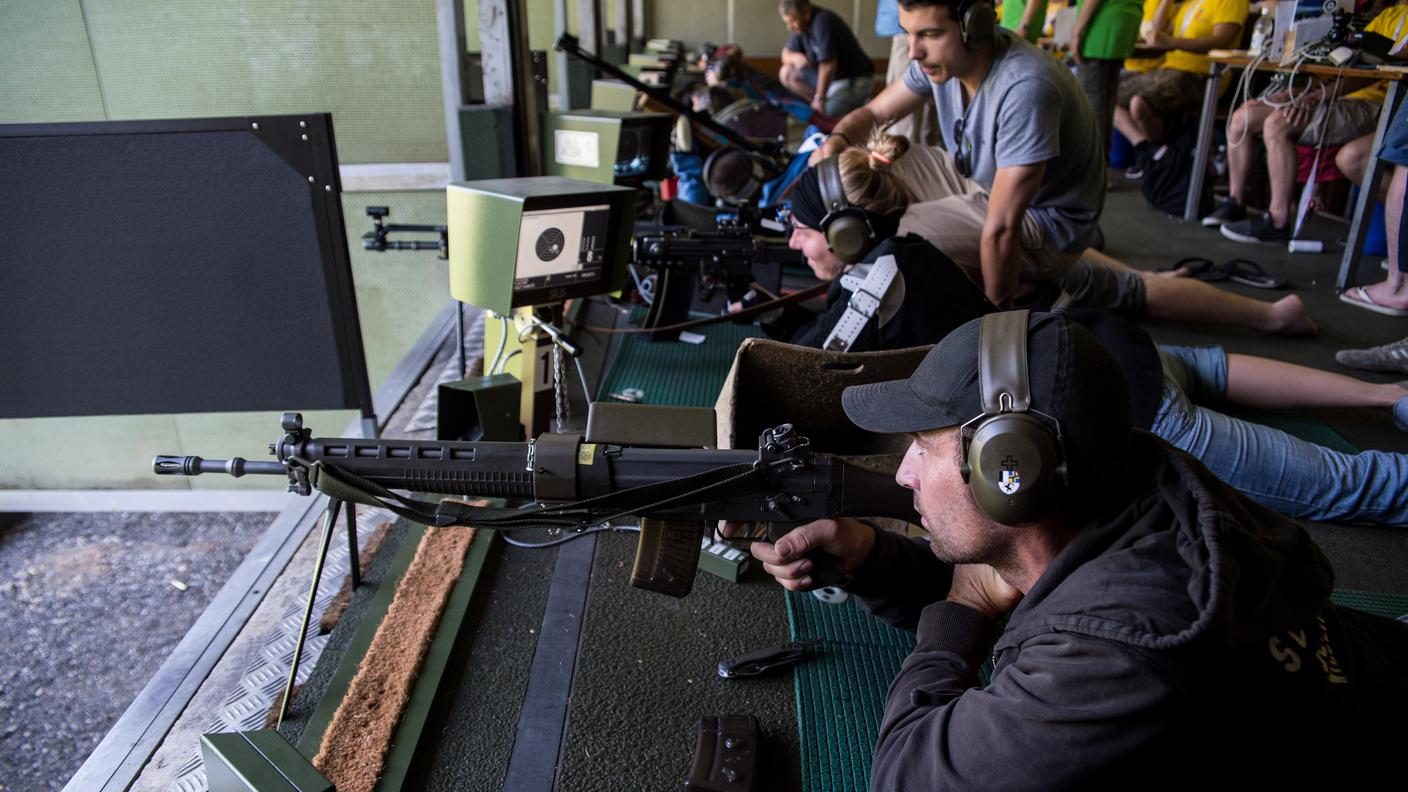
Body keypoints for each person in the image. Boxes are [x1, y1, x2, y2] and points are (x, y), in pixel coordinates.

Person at [727, 312, 1408, 787]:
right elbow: (1011, 582)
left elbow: (909, 775)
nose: (903, 474)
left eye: (922, 447)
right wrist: (872, 557)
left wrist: (958, 612)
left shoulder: (1120, 646)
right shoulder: (1135, 477)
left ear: (1009, 470)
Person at [785, 149, 1408, 525]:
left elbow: (806, 370)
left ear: (844, 236)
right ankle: (1387, 397)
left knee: (1345, 484)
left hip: (1124, 409)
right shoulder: (906, 249)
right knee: (1208, 367)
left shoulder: (877, 283)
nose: (793, 243)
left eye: (802, 231)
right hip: (1103, 349)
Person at [798, 134, 1316, 334]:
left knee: (1131, 292)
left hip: (1022, 251)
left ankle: (1272, 316)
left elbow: (992, 249)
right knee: (1117, 279)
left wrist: (999, 314)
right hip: (1019, 227)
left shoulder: (912, 236)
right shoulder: (882, 170)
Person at [806, 0, 1106, 309]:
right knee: (867, 166)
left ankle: (1030, 292)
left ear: (976, 26)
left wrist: (994, 320)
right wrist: (837, 141)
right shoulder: (943, 61)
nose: (914, 51)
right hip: (987, 185)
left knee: (894, 239)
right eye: (908, 34)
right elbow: (875, 111)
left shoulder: (1026, 87)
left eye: (930, 34)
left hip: (1043, 223)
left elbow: (1002, 229)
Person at [1211, 4, 1408, 244]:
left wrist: (1316, 96)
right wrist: (1294, 91)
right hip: (1336, 97)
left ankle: (1277, 220)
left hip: (1375, 104)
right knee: (1243, 117)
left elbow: (1362, 75)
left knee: (1278, 125)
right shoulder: (1388, 16)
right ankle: (1235, 202)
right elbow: (1340, 63)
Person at [1115, 0, 1248, 179]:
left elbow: (1220, 41)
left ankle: (1162, 163)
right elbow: (1154, 35)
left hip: (1200, 74)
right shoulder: (1187, 3)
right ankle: (1149, 149)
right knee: (1107, 94)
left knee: (1139, 103)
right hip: (1168, 70)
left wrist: (1172, 42)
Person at [1070, 0, 1147, 159]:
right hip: (1122, 20)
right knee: (1105, 105)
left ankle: (1092, 174)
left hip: (1100, 27)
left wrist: (1077, 30)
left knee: (1090, 107)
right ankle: (1101, 171)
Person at [778, 0, 877, 118]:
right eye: (787, 22)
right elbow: (785, 54)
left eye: (793, 21)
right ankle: (818, 107)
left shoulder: (823, 22)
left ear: (806, 13)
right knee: (787, 72)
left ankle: (851, 104)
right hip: (831, 82)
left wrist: (819, 99)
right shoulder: (801, 28)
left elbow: (828, 65)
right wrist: (795, 57)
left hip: (851, 80)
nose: (790, 27)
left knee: (827, 116)